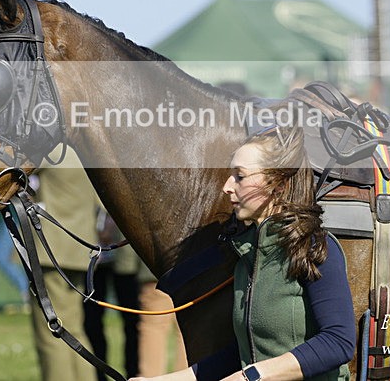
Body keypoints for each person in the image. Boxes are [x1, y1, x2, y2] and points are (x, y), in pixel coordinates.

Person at [132, 123, 356, 381]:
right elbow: (244, 352)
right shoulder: (245, 253)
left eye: (240, 176)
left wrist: (251, 377)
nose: (227, 186)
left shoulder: (314, 247)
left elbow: (338, 342)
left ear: (278, 185)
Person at [30, 146, 101, 381]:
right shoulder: (89, 153)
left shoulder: (53, 151)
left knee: (51, 332)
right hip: (81, 248)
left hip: (50, 248)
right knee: (75, 328)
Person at [83, 210, 141, 380]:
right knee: (92, 323)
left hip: (124, 260)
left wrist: (111, 221)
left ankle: (133, 373)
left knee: (132, 321)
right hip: (93, 260)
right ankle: (99, 374)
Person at [137, 267, 188, 377]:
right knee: (187, 330)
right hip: (192, 271)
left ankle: (150, 378)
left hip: (156, 273)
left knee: (154, 328)